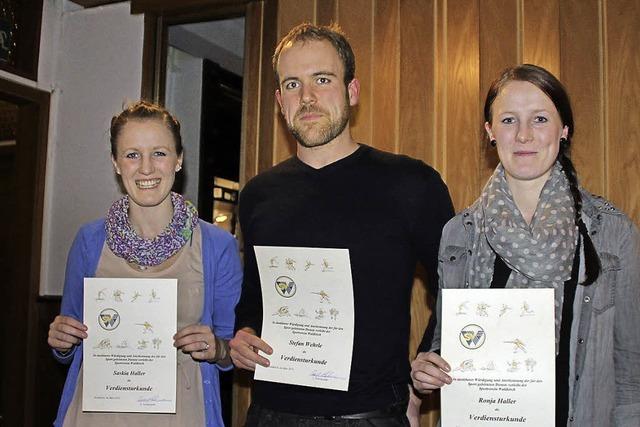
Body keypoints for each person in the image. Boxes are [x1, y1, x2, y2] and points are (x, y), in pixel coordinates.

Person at [229, 23, 454, 426]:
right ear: (280, 101)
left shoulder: (412, 184)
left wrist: (426, 365)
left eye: (322, 79)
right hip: (271, 414)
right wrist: (244, 333)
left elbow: (455, 285)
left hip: (370, 415)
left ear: (352, 91)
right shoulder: (258, 194)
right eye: (293, 84)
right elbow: (254, 299)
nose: (308, 97)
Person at [411, 64, 640, 426]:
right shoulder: (459, 234)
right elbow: (450, 342)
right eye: (507, 121)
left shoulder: (612, 234)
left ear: (563, 129)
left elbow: (631, 375)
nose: (522, 135)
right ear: (490, 131)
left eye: (539, 119)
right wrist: (428, 367)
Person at [47, 101, 242, 427]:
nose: (146, 168)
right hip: (95, 416)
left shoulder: (217, 245)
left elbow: (232, 350)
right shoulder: (89, 240)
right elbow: (68, 343)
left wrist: (216, 348)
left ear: (178, 160)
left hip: (182, 416)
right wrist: (61, 340)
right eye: (132, 154)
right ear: (116, 162)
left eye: (160, 153)